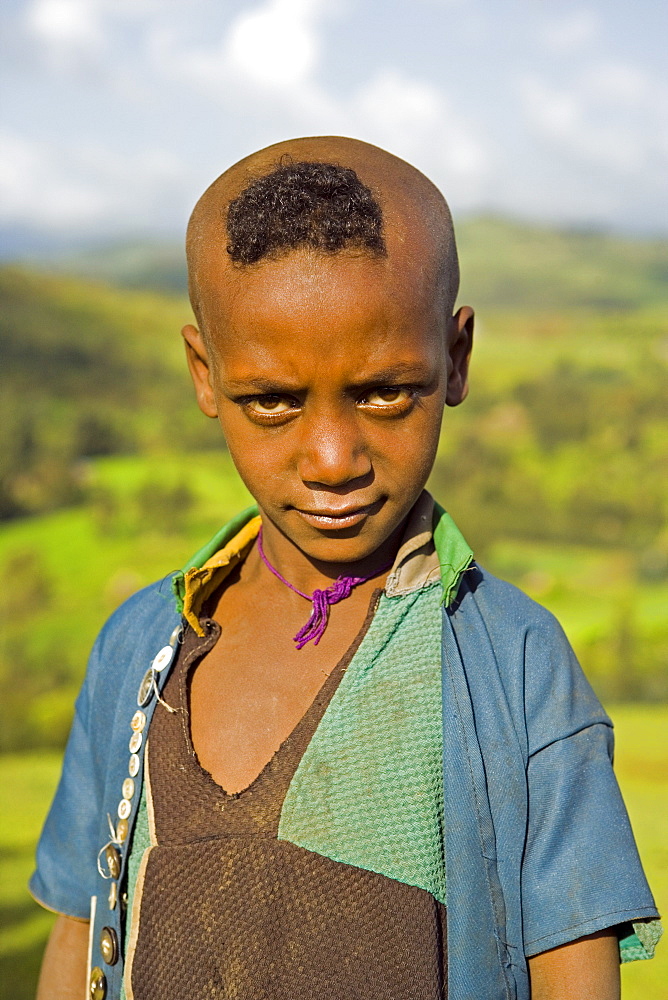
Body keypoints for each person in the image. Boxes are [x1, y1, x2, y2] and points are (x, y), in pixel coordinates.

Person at [31, 136, 660, 1000]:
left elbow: (573, 972)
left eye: (384, 392)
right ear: (203, 374)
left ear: (457, 357)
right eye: (272, 402)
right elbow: (81, 929)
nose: (332, 459)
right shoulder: (139, 648)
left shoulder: (515, 670)